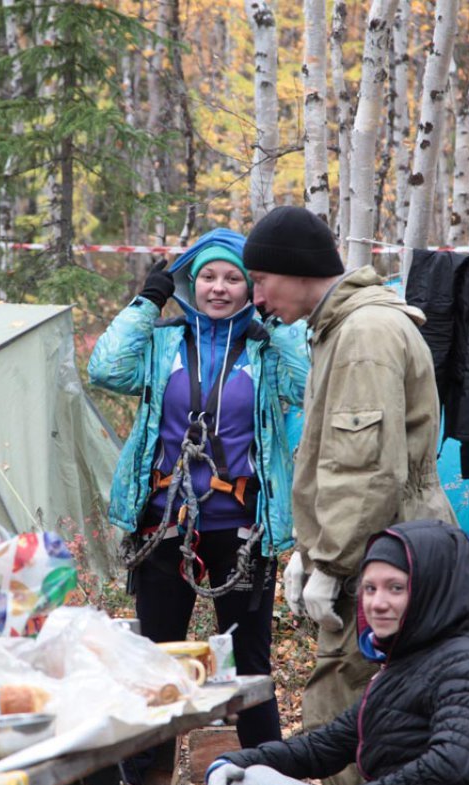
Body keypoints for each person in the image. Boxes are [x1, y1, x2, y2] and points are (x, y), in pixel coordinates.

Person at [243, 205, 457, 785]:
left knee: (347, 707)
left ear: (295, 269)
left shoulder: (363, 336)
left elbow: (363, 472)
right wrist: (307, 552)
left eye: (260, 281)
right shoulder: (340, 329)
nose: (256, 298)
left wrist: (331, 563)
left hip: (380, 554)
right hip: (378, 546)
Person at [87, 227, 308, 748]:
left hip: (242, 526)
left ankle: (264, 777)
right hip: (162, 521)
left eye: (233, 278)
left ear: (250, 288)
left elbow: (308, 384)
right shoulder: (162, 342)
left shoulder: (265, 349)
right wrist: (146, 302)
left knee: (249, 662)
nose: (218, 288)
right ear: (190, 282)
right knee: (157, 658)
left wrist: (277, 325)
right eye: (207, 276)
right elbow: (105, 370)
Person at [204, 520, 469, 785]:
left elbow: (452, 761)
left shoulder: (462, 665)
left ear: (431, 590)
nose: (377, 603)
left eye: (396, 588)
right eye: (370, 588)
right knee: (246, 779)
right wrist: (227, 763)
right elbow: (323, 747)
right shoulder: (402, 666)